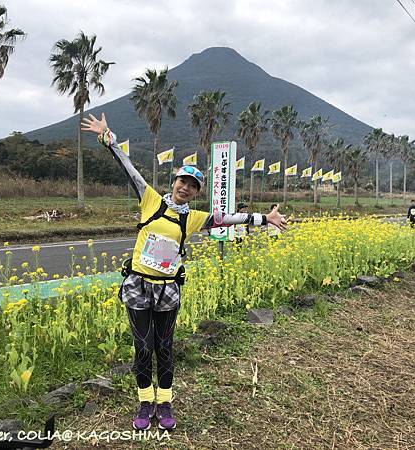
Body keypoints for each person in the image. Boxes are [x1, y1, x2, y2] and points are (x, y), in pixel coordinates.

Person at [81, 113, 287, 431]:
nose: (186, 188)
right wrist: (107, 135)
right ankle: (144, 402)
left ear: (197, 191)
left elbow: (232, 218)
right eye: (182, 182)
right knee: (142, 348)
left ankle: (164, 404)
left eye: (193, 186)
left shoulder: (194, 218)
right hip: (137, 286)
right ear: (173, 182)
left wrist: (265, 219)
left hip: (167, 292)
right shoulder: (150, 201)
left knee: (164, 348)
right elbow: (129, 169)